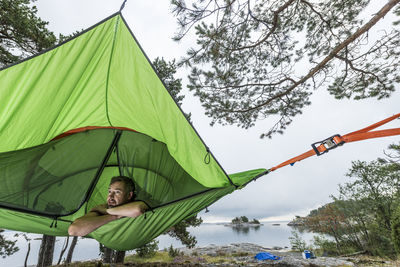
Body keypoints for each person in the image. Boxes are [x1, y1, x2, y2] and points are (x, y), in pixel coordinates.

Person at [68, 176, 148, 236]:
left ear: (129, 195)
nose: (110, 196)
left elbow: (138, 209)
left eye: (117, 192)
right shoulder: (102, 208)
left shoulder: (135, 203)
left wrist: (107, 211)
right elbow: (73, 230)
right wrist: (114, 216)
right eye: (109, 191)